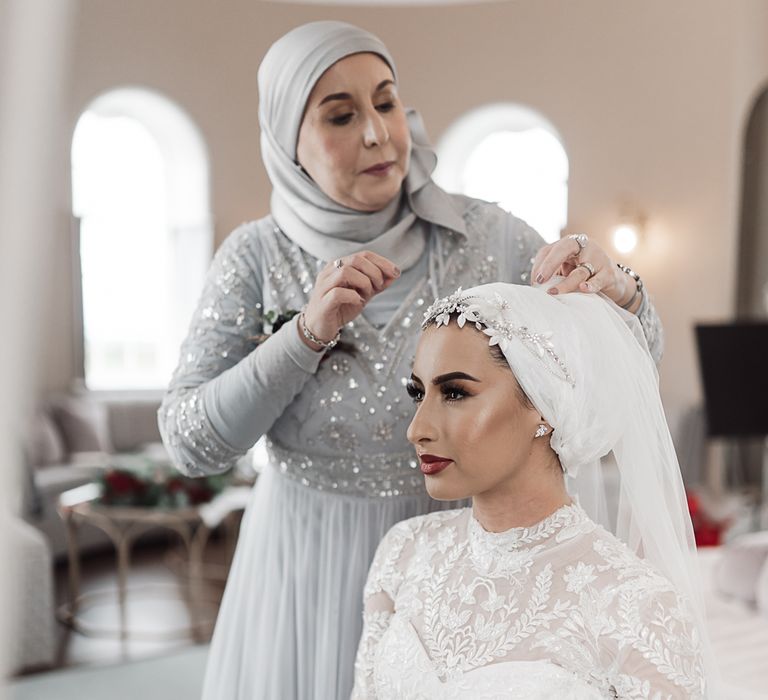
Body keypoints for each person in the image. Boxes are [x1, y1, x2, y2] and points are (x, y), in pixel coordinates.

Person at [158, 21, 664, 700]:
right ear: (288, 145)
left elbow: (628, 367)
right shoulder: (255, 258)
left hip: (464, 573)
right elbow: (191, 443)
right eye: (341, 115)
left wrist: (619, 290)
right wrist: (302, 336)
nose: (377, 134)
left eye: (387, 103)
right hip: (304, 570)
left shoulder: (490, 236)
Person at [351, 282, 717, 699]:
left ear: (545, 405)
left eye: (455, 393)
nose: (417, 429)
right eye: (418, 393)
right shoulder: (405, 552)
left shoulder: (636, 606)